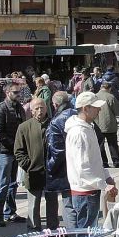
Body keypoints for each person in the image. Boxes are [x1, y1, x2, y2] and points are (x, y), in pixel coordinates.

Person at [64, 92, 117, 228]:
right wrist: (104, 184)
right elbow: (83, 167)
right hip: (85, 190)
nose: (99, 110)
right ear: (85, 108)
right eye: (95, 107)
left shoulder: (87, 128)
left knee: (89, 231)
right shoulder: (79, 132)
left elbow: (94, 160)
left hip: (89, 188)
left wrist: (106, 176)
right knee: (86, 234)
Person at [0, 81, 27, 227]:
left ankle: (10, 212)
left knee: (13, 183)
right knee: (3, 184)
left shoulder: (19, 108)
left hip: (15, 151)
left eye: (19, 92)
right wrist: (14, 144)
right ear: (7, 93)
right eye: (15, 92)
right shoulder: (0, 108)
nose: (18, 95)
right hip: (5, 151)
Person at [15, 97, 52, 230]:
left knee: (52, 204)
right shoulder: (24, 127)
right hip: (33, 173)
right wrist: (28, 166)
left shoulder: (53, 125)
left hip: (51, 173)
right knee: (33, 205)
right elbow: (18, 151)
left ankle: (53, 232)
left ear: (46, 108)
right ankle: (34, 232)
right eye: (36, 108)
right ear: (31, 110)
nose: (40, 110)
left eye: (42, 107)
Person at [46, 91, 76, 227]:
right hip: (76, 165)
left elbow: (57, 151)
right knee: (73, 205)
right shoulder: (77, 115)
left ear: (56, 104)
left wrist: (49, 167)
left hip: (63, 168)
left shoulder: (57, 120)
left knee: (68, 206)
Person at [95, 83, 119, 168]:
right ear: (109, 88)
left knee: (100, 144)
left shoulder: (95, 97)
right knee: (113, 144)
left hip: (97, 124)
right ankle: (116, 161)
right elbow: (117, 111)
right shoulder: (110, 97)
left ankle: (103, 162)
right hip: (109, 124)